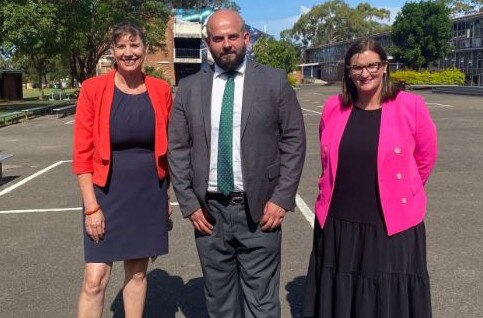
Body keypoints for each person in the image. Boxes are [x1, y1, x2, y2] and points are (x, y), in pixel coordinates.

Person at [168, 9, 306, 318]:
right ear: (208, 43)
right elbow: (177, 148)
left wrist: (282, 199)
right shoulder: (189, 89)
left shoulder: (273, 81)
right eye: (218, 38)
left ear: (246, 38)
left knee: (262, 301)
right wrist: (189, 204)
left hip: (259, 211)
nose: (226, 44)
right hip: (209, 212)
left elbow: (294, 141)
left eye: (233, 36)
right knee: (219, 301)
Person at [303, 38, 438, 318]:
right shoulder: (332, 108)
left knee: (385, 295)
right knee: (343, 290)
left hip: (391, 221)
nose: (365, 74)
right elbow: (328, 157)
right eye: (357, 67)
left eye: (373, 65)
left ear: (385, 66)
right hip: (339, 219)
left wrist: (403, 190)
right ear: (348, 72)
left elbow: (425, 159)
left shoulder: (410, 106)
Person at [72, 22, 172, 318]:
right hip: (105, 193)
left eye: (135, 45)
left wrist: (166, 196)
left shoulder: (161, 90)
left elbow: (167, 147)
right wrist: (91, 207)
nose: (129, 53)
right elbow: (81, 154)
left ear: (145, 48)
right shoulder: (93, 89)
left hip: (148, 193)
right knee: (95, 280)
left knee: (138, 275)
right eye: (121, 47)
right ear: (113, 51)